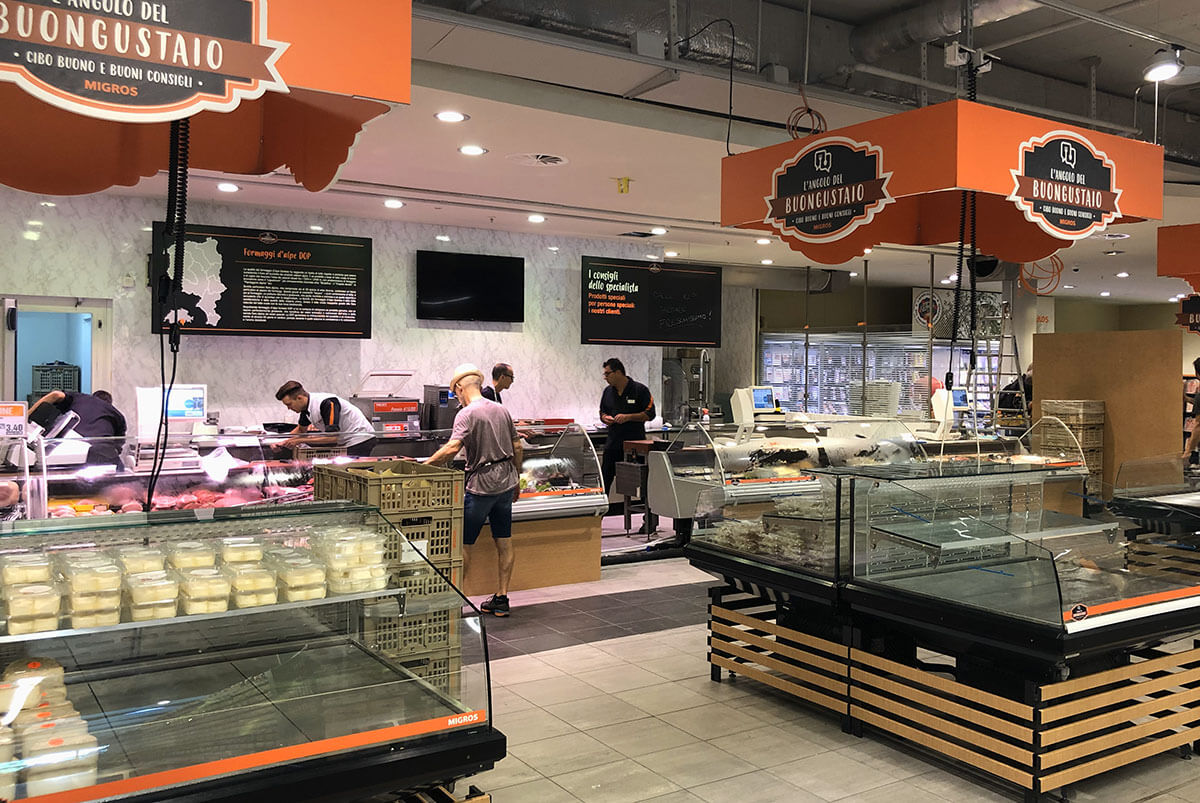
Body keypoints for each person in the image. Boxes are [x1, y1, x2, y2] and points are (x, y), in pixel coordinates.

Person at [426, 364, 523, 617]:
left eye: (455, 392)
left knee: (464, 543)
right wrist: (517, 478)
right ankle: (501, 598)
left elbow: (451, 449)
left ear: (460, 388)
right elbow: (517, 447)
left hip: (481, 487)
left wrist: (423, 466)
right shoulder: (501, 409)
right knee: (504, 540)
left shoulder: (466, 413)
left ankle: (457, 602)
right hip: (506, 483)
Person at [598, 357, 656, 497]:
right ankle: (602, 508)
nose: (605, 377)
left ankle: (644, 509)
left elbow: (650, 414)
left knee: (639, 483)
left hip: (635, 445)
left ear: (618, 372)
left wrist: (629, 417)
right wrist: (605, 418)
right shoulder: (607, 392)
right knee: (605, 479)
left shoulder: (640, 390)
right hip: (613, 444)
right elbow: (602, 412)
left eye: (607, 374)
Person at [274, 380, 376, 457]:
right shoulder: (306, 408)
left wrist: (299, 440)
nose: (289, 408)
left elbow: (332, 438)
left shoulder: (327, 403)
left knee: (347, 472)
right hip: (345, 441)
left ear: (299, 398)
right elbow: (301, 430)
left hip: (360, 439)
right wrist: (281, 442)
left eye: (289, 404)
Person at [28, 389, 127, 466]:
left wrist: (25, 417)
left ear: (92, 396)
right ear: (110, 404)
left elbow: (56, 395)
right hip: (104, 455)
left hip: (69, 452)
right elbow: (119, 444)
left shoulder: (80, 398)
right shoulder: (118, 415)